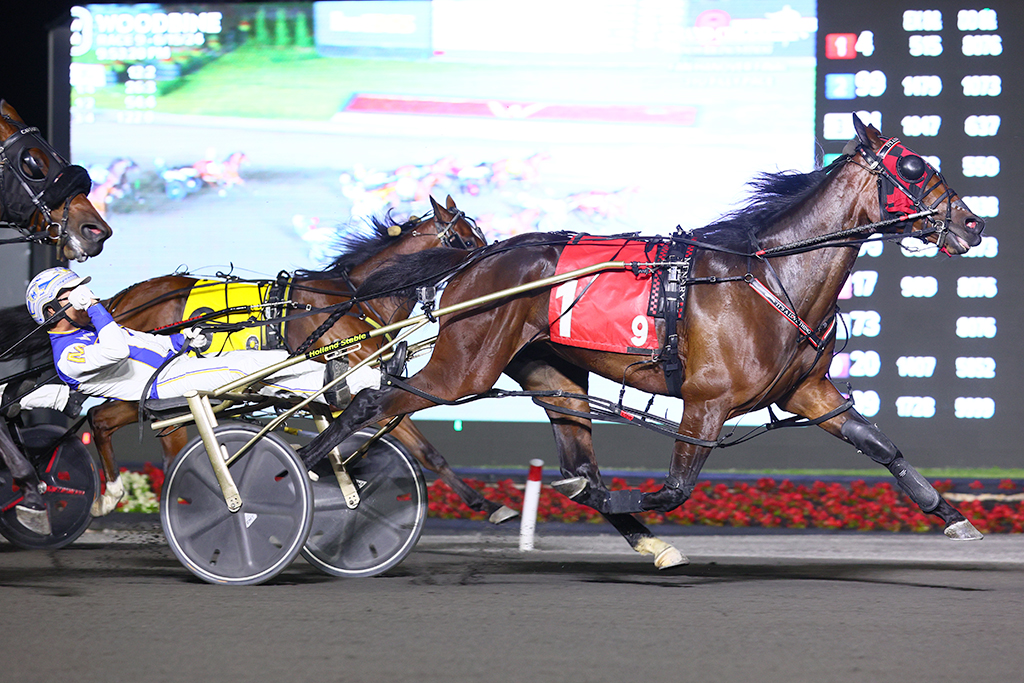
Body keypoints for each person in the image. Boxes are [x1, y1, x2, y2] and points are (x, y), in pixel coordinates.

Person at [22, 267, 382, 528]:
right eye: (74, 296)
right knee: (251, 367)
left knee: (267, 363)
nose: (85, 299)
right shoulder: (70, 353)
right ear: (52, 312)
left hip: (176, 369)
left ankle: (361, 378)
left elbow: (147, 343)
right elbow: (116, 349)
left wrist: (183, 340)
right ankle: (357, 380)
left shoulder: (90, 331)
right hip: (164, 386)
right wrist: (98, 309)